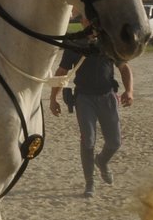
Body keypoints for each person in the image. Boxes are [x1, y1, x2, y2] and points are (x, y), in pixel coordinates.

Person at [48, 18, 133, 197]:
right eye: (88, 18)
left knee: (115, 142)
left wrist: (129, 91)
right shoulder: (75, 43)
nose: (91, 22)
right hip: (84, 98)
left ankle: (101, 161)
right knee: (88, 140)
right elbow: (62, 72)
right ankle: (90, 183)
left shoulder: (109, 42)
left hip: (107, 96)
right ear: (83, 22)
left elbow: (124, 68)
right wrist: (53, 98)